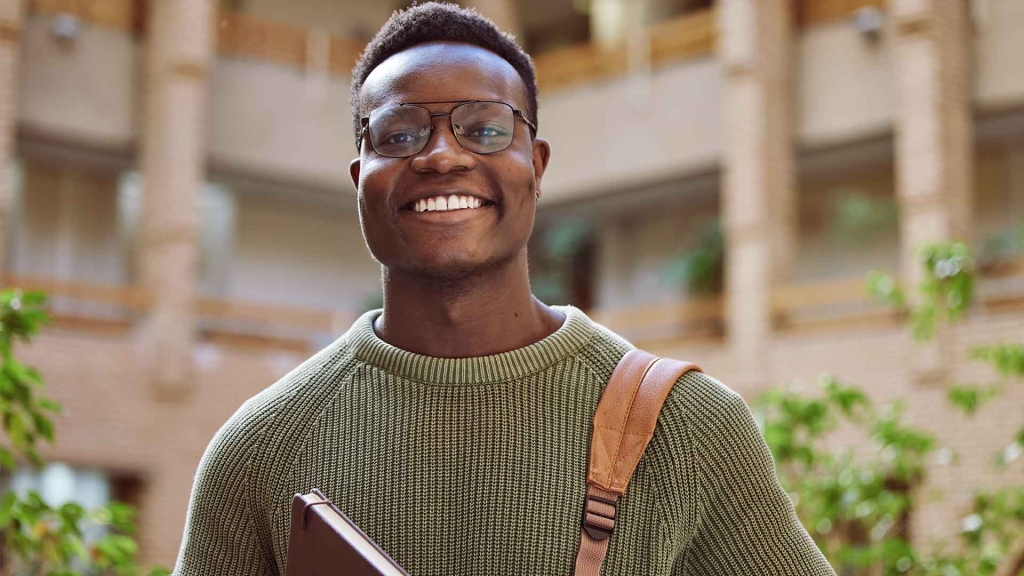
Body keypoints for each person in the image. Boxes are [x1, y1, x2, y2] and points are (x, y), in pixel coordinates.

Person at [172, 3, 835, 575]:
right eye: (400, 133)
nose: (440, 155)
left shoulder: (686, 428)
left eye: (485, 127)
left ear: (536, 167)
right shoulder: (259, 450)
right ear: (360, 179)